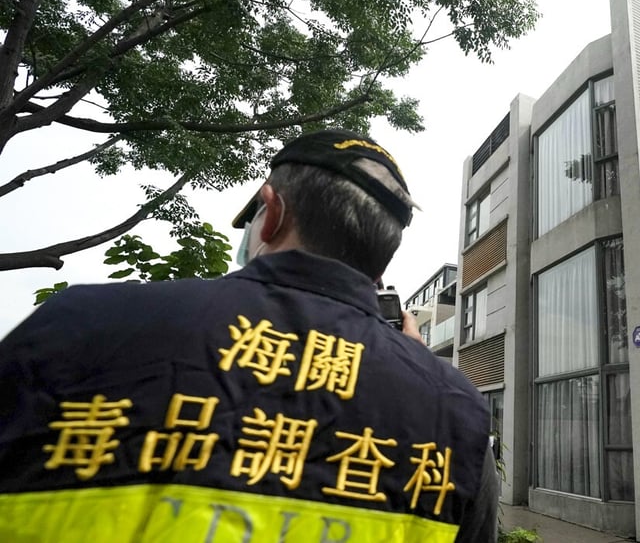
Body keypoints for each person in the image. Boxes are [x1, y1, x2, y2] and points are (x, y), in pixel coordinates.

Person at [0, 128, 497, 543]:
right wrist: (420, 383)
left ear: (273, 211)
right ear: (381, 256)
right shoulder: (459, 411)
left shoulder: (82, 323)